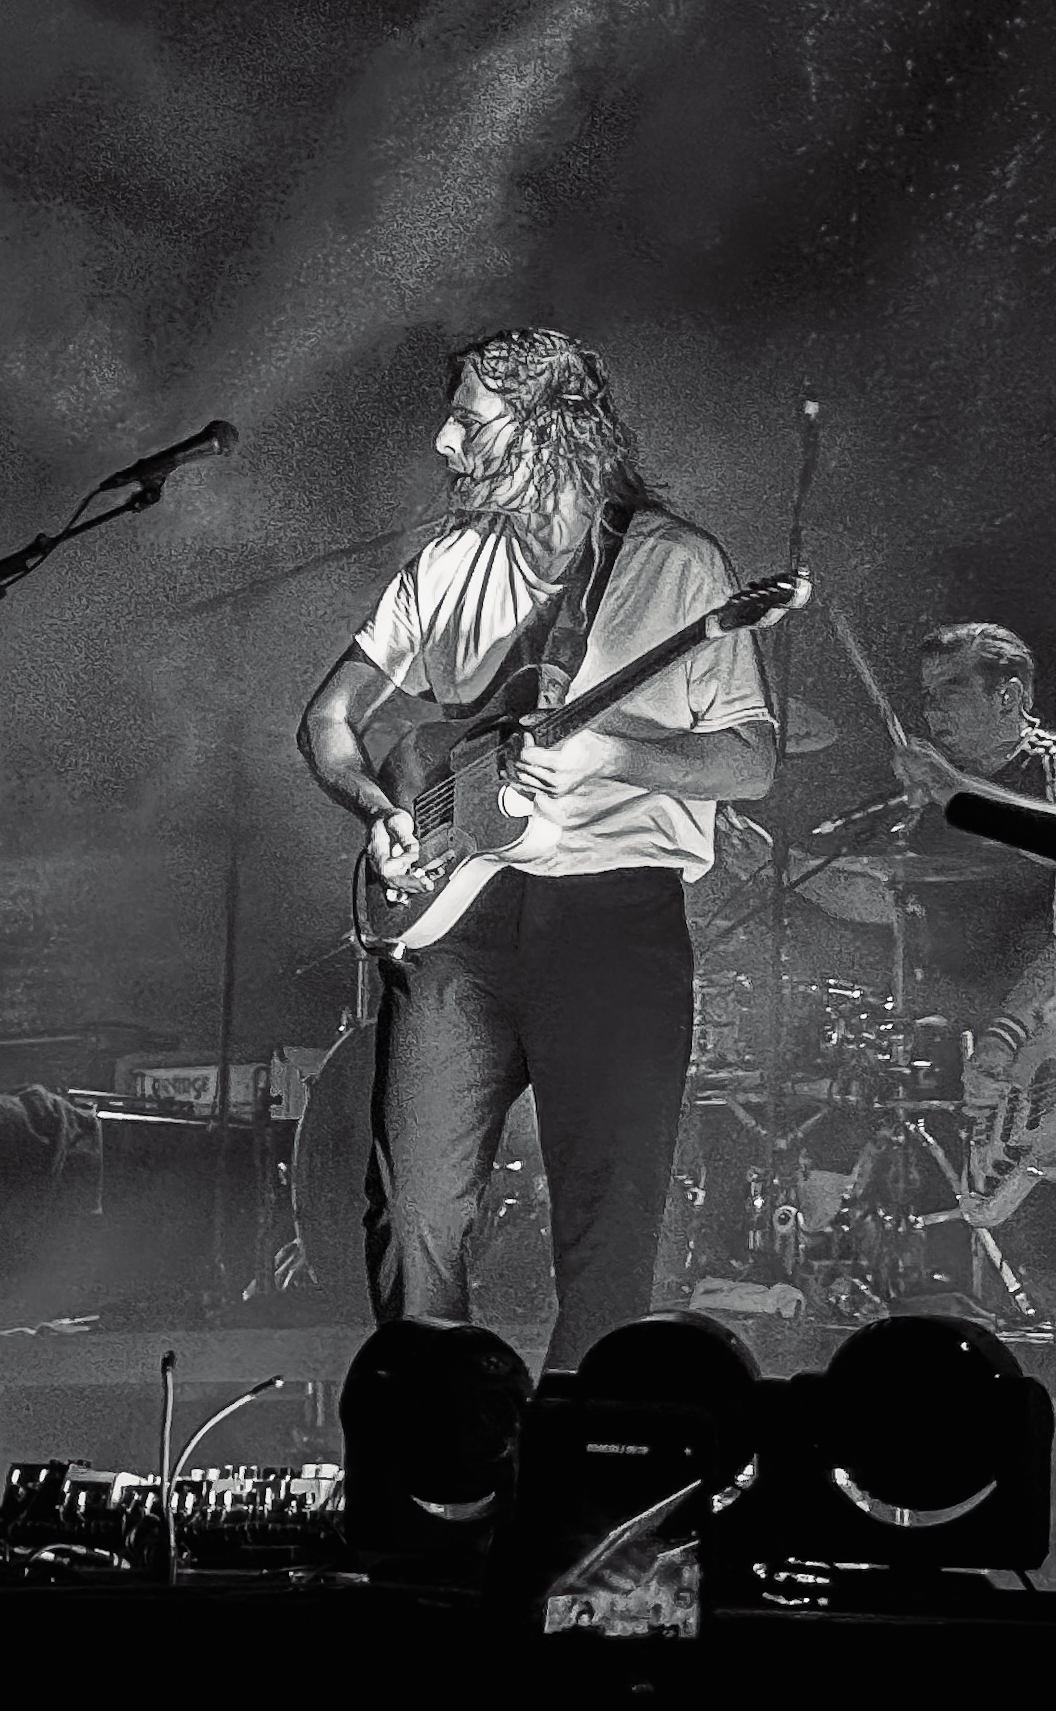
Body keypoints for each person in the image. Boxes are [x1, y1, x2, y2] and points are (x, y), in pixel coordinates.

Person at [298, 328, 777, 1370]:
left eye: (468, 419)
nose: (442, 441)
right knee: (412, 1209)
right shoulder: (447, 563)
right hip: (455, 930)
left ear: (553, 429)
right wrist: (378, 812)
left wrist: (616, 750)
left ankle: (576, 1471)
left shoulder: (676, 566)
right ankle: (436, 1456)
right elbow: (326, 722)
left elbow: (749, 763)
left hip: (613, 920)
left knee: (607, 1230)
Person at [885, 623, 1055, 1260]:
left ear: (1009, 696)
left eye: (950, 690)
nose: (930, 711)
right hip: (1001, 1028)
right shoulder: (928, 802)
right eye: (925, 696)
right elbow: (894, 899)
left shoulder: (1049, 767)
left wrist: (952, 788)